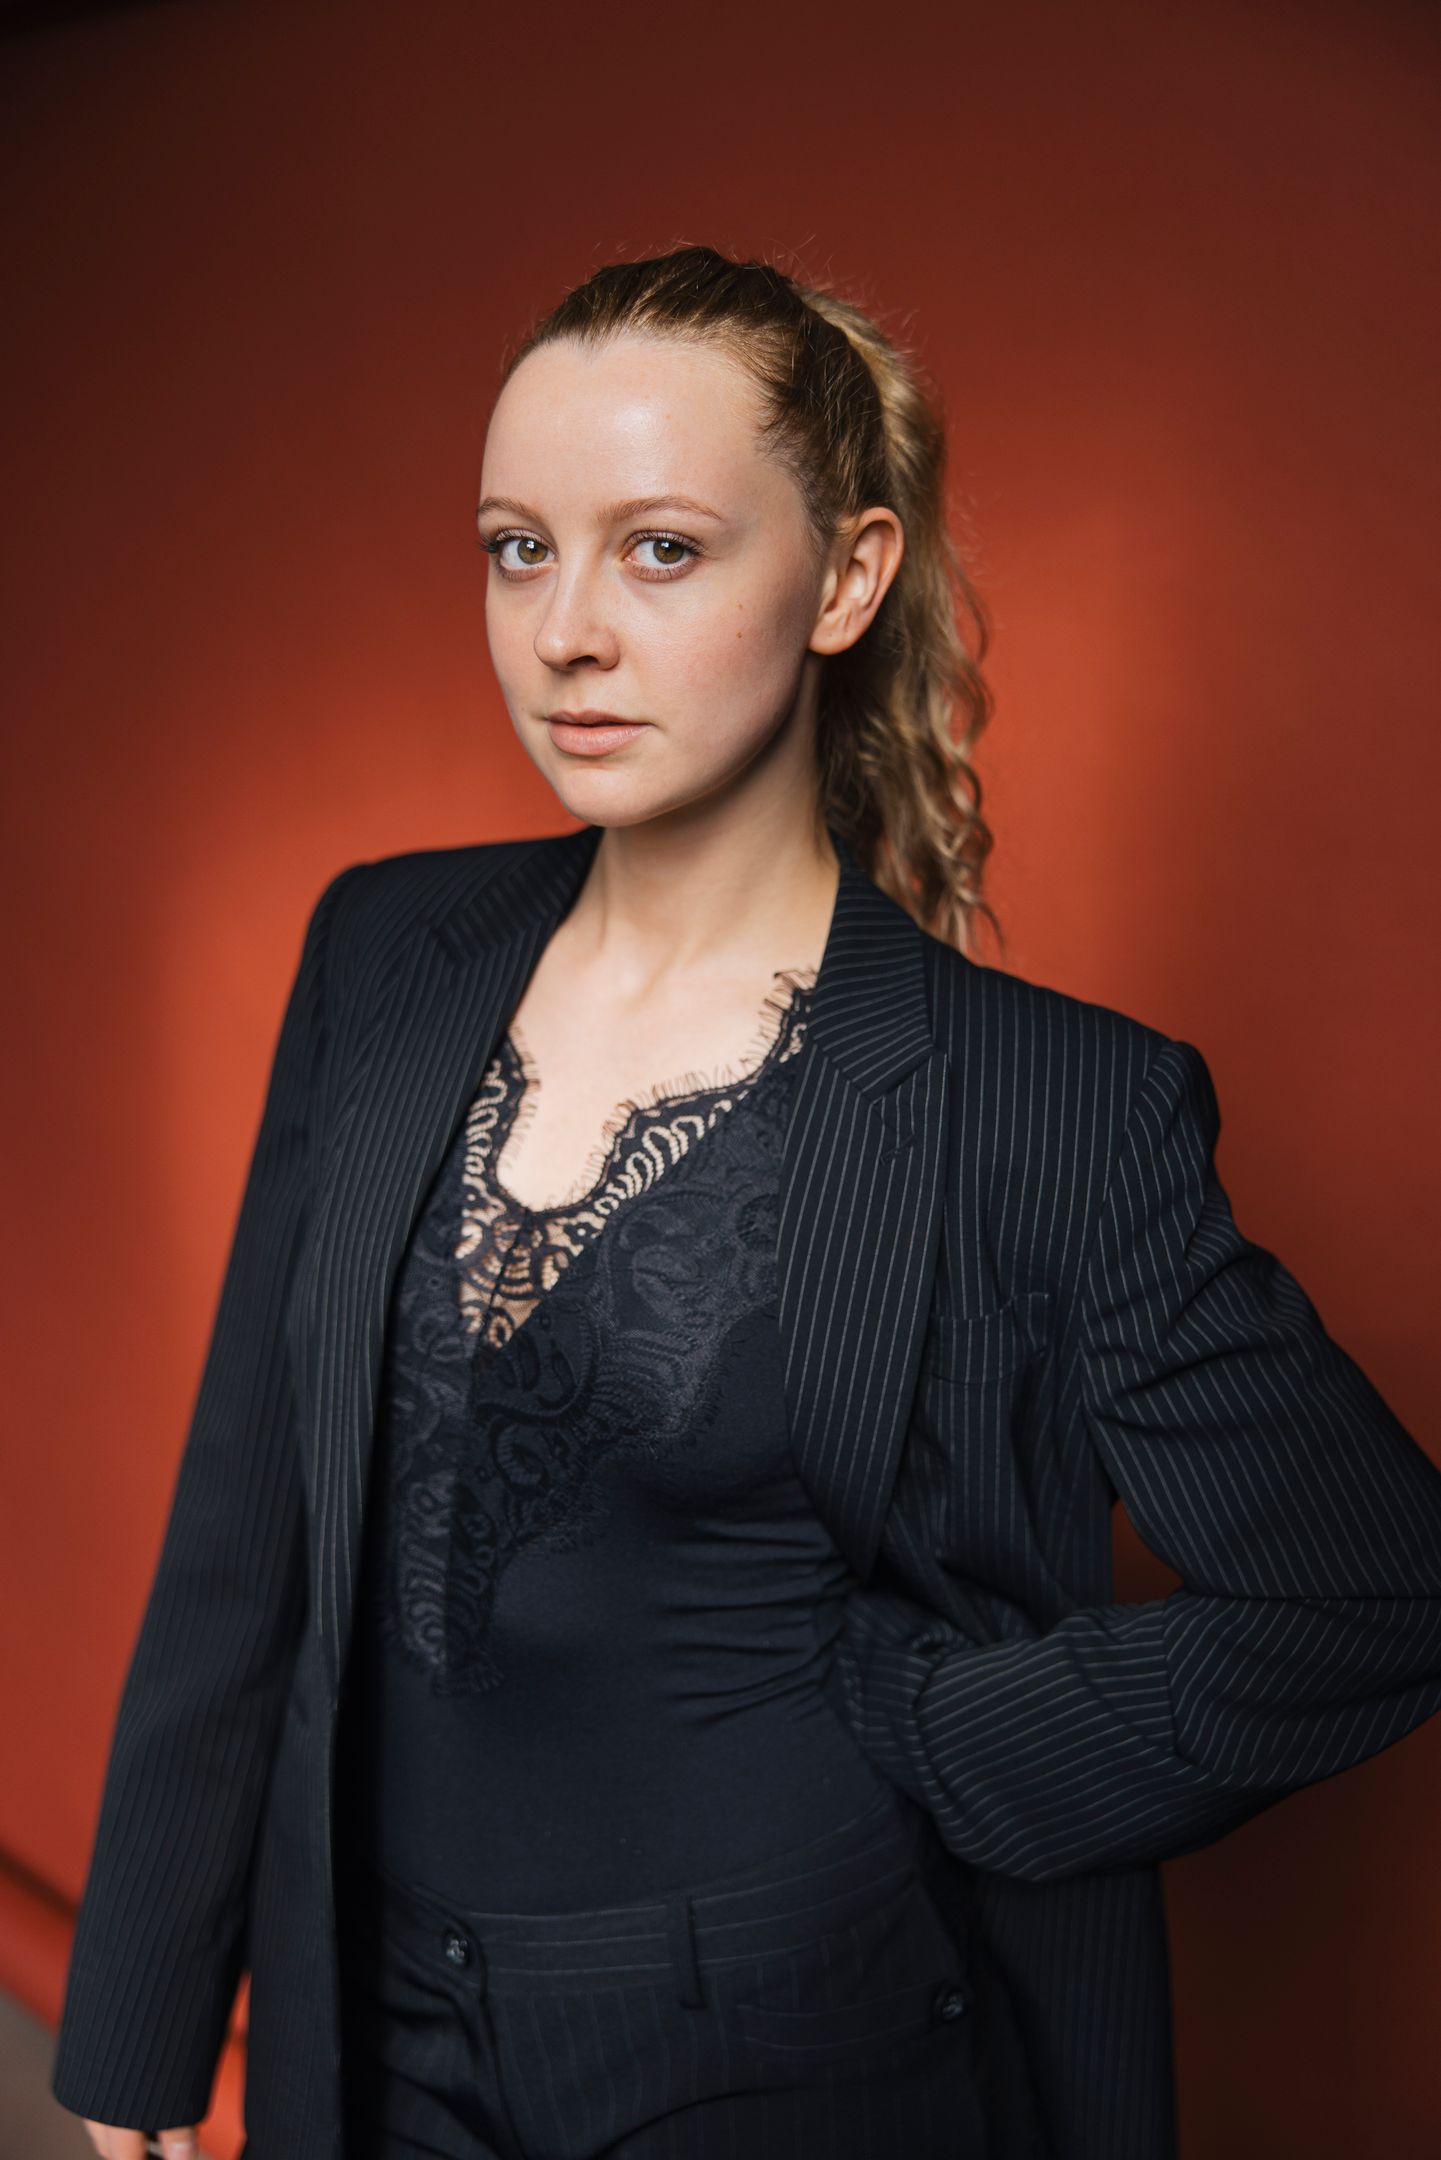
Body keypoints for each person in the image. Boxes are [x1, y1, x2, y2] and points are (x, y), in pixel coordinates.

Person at [51, 244, 1441, 2160]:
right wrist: (137, 2018)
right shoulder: (383, 950)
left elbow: (1370, 1584)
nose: (565, 633)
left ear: (846, 578)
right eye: (517, 549)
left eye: (661, 550)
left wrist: (940, 1734)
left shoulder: (1043, 1104)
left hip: (788, 2049)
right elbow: (250, 1516)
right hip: (370, 2035)